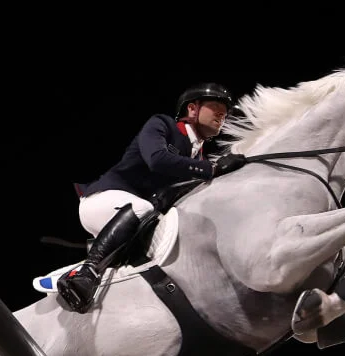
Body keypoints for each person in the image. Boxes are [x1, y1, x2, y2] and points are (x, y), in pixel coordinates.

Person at [58, 82, 247, 314]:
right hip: (103, 200)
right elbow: (157, 159)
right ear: (192, 109)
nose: (223, 113)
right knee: (143, 208)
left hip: (137, 222)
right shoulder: (163, 124)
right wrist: (212, 169)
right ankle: (86, 272)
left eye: (225, 111)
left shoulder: (198, 155)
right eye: (216, 105)